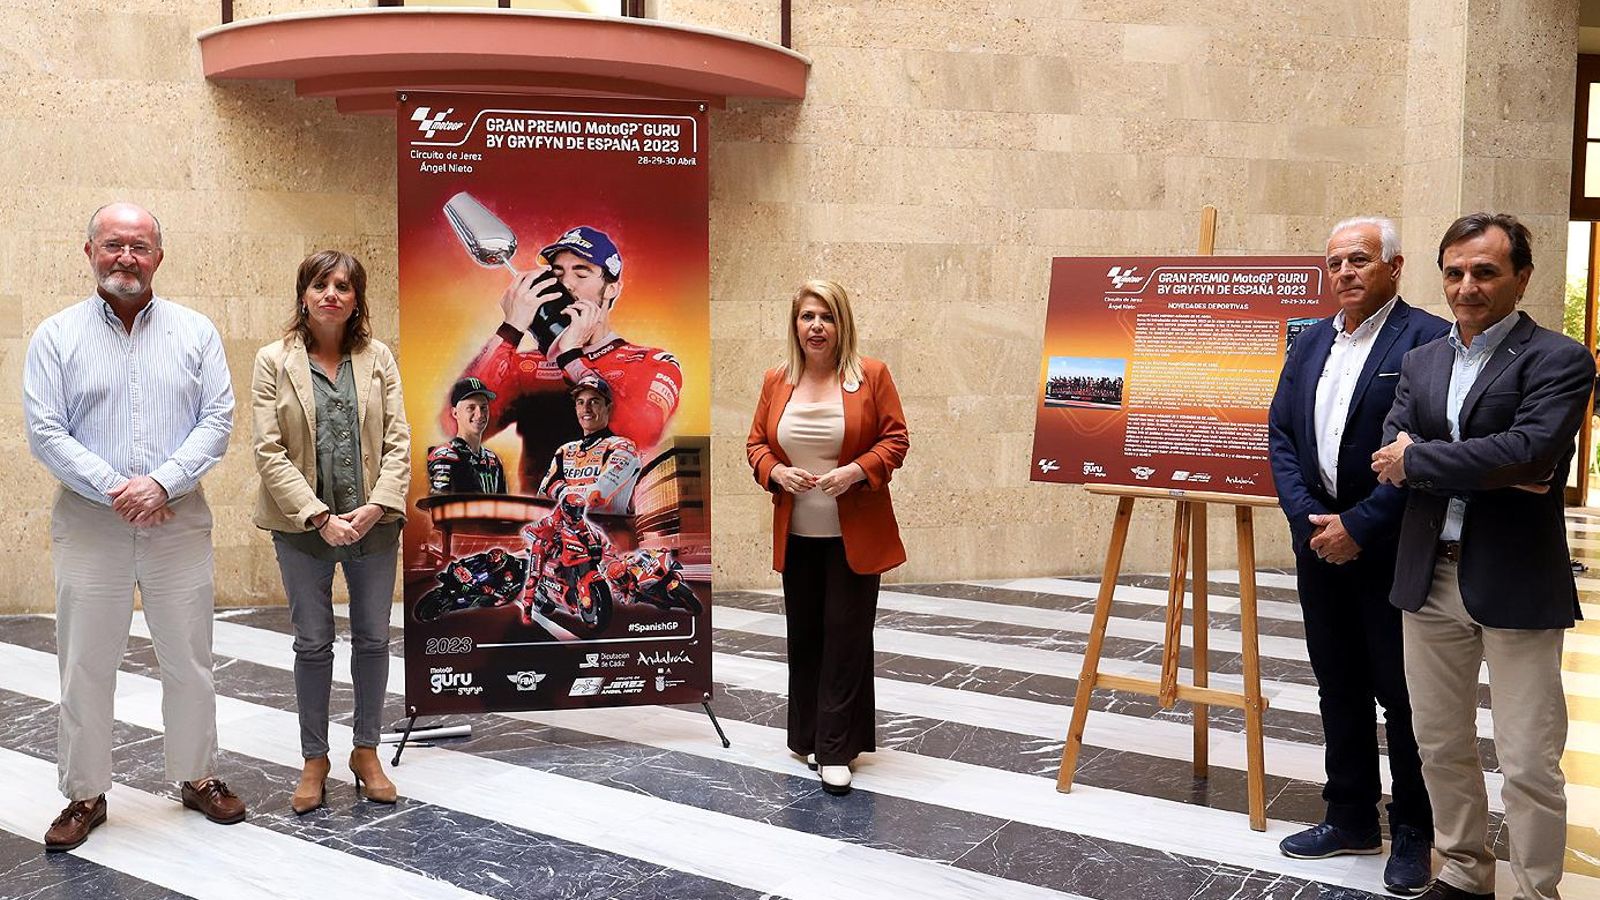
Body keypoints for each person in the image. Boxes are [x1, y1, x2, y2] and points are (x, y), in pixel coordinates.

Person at [1373, 213, 1593, 900]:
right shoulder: (1421, 360)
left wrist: (1427, 460)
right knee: (1439, 744)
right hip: (1427, 572)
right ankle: (1465, 872)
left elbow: (1531, 453)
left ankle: (1534, 889)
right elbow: (1389, 454)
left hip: (1516, 578)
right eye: (1455, 272)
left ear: (1521, 277)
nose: (1467, 286)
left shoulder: (1560, 358)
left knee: (1528, 758)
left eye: (1485, 271)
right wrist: (1491, 464)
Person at [24, 202, 242, 850]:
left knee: (190, 659)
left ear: (159, 257)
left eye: (140, 246)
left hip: (178, 520)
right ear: (88, 250)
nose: (127, 257)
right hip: (91, 524)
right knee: (85, 663)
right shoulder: (55, 336)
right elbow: (45, 431)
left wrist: (160, 483)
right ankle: (84, 793)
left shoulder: (196, 332)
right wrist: (120, 489)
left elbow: (217, 420)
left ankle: (197, 777)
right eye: (114, 244)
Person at [1266, 217, 1446, 895]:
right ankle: (1348, 816)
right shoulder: (1312, 338)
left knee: (1402, 694)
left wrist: (1359, 525)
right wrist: (1307, 517)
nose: (1345, 271)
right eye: (1336, 261)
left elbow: (1425, 450)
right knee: (1335, 678)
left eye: (1361, 260)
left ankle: (1411, 830)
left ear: (1394, 269)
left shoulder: (1427, 340)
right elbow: (1280, 432)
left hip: (1392, 546)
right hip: (1317, 543)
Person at [251, 250, 412, 814]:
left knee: (372, 640)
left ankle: (365, 750)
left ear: (356, 300)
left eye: (344, 286)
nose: (332, 295)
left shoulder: (378, 358)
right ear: (304, 294)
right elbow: (268, 451)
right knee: (313, 643)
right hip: (302, 528)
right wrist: (320, 515)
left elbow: (399, 442)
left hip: (374, 524)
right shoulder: (273, 360)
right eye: (321, 284)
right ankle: (314, 757)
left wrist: (373, 509)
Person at [746, 280, 909, 796]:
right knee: (808, 636)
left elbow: (895, 439)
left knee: (846, 636)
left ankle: (836, 749)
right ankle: (813, 736)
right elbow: (754, 444)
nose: (816, 326)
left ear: (842, 325)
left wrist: (856, 472)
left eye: (827, 317)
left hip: (853, 534)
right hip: (798, 534)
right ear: (795, 325)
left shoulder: (872, 376)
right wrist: (776, 471)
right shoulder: (777, 380)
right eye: (807, 317)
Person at [448, 226, 682, 489]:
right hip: (533, 523)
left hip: (611, 523)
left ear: (612, 288)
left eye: (581, 273)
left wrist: (569, 357)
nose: (567, 284)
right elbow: (454, 423)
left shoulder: (651, 361)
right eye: (557, 273)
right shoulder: (527, 366)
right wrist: (510, 329)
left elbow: (640, 434)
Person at [538, 377, 641, 515]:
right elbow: (542, 496)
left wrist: (559, 489)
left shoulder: (622, 447)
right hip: (567, 532)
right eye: (580, 402)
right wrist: (579, 491)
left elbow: (596, 496)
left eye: (594, 402)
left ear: (608, 408)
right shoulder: (565, 451)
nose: (586, 409)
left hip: (611, 532)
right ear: (575, 409)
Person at [428, 377, 506, 494]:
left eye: (483, 407)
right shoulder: (445, 456)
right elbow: (439, 505)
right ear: (455, 413)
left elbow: (504, 506)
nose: (479, 415)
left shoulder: (493, 460)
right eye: (471, 408)